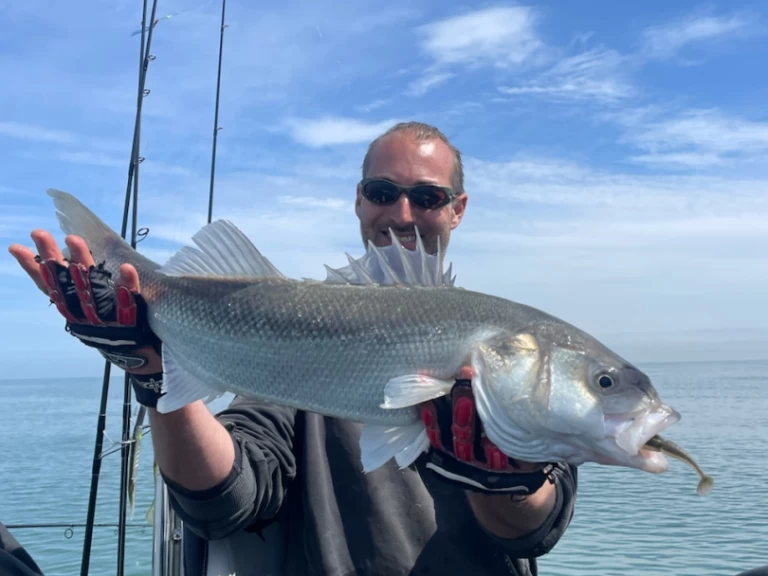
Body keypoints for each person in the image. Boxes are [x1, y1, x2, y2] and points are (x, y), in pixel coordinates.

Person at [10, 122, 578, 576]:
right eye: (383, 193)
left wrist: (508, 478)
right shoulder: (297, 340)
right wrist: (153, 370)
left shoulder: (517, 354)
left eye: (428, 197)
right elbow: (222, 496)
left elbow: (533, 528)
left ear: (458, 208)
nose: (403, 214)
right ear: (360, 201)